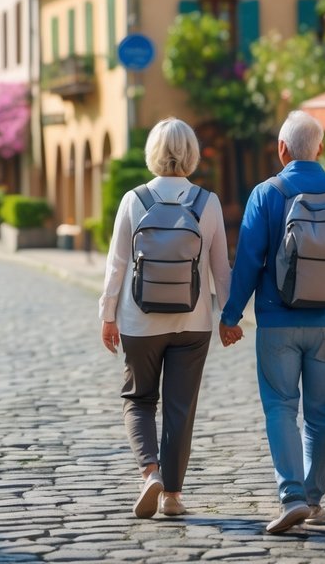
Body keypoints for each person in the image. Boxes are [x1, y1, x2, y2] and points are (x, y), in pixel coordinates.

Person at [218, 110, 325, 534]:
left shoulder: (266, 193)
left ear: (282, 149)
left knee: (279, 407)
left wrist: (231, 315)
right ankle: (313, 498)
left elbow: (249, 261)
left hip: (277, 321)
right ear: (320, 148)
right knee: (321, 412)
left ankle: (291, 495)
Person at [100, 118, 231, 519]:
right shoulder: (207, 202)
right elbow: (220, 267)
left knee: (138, 400)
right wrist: (229, 315)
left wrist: (107, 315)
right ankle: (172, 497)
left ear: (152, 153)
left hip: (139, 321)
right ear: (191, 154)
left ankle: (150, 473)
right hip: (194, 322)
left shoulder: (134, 200)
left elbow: (117, 265)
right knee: (180, 408)